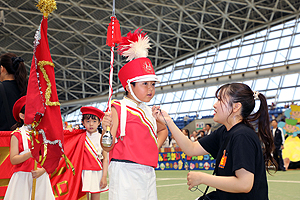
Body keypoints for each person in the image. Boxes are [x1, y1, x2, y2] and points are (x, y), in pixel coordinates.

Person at [153, 83, 276, 200]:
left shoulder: (242, 136)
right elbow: (191, 148)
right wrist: (169, 121)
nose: (215, 105)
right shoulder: (224, 131)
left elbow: (244, 184)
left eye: (220, 100)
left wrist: (202, 178)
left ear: (236, 107)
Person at [101, 28, 168, 200]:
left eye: (152, 84)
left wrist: (154, 147)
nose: (150, 89)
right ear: (129, 86)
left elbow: (163, 130)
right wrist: (105, 130)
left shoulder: (149, 111)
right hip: (125, 172)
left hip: (148, 170)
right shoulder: (119, 108)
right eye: (144, 84)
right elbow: (107, 146)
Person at [4, 96, 54, 200]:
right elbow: (13, 160)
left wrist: (43, 170)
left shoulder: (42, 134)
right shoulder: (16, 135)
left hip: (40, 176)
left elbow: (49, 157)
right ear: (22, 115)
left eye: (36, 112)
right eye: (30, 112)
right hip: (22, 178)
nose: (34, 116)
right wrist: (30, 153)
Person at [80, 106, 108, 200]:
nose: (91, 124)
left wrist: (104, 176)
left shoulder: (102, 138)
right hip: (82, 173)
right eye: (87, 121)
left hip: (97, 173)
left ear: (99, 122)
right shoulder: (79, 137)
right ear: (83, 122)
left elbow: (105, 159)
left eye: (94, 121)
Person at [0, 53, 27, 131]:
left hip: (4, 139)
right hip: (24, 139)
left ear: (2, 69)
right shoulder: (26, 88)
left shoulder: (2, 88)